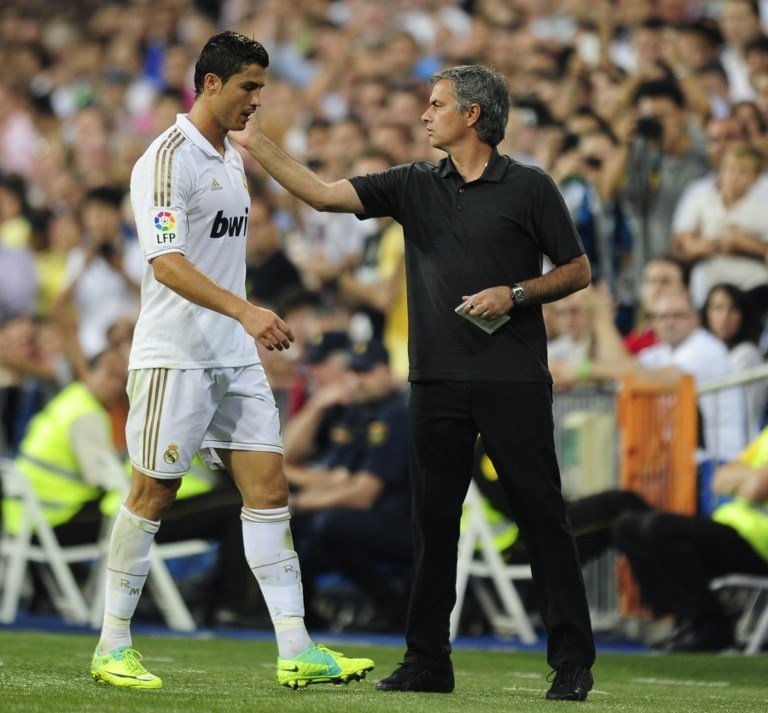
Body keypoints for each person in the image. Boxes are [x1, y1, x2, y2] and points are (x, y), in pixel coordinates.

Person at [235, 63, 595, 701]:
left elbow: (577, 270)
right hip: (432, 382)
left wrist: (514, 293)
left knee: (543, 517)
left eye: (435, 105)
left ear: (472, 116)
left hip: (512, 379)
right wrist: (258, 141)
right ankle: (428, 660)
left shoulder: (531, 188)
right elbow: (321, 194)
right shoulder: (411, 184)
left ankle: (571, 662)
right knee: (432, 524)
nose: (424, 115)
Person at [90, 31, 373, 691]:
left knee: (269, 491)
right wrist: (245, 310)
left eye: (261, 88)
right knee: (153, 492)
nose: (257, 100)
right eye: (248, 86)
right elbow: (166, 263)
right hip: (175, 356)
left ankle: (297, 647)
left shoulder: (231, 158)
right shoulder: (165, 160)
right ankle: (111, 643)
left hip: (232, 357)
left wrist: (241, 323)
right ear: (209, 84)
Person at [286, 340, 412, 633]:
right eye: (354, 371)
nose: (358, 380)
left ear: (386, 373)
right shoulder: (357, 414)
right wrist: (316, 404)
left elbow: (362, 495)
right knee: (300, 524)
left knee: (329, 522)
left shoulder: (396, 415)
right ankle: (301, 614)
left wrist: (300, 502)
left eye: (366, 372)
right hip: (373, 518)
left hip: (404, 523)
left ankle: (394, 607)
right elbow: (290, 459)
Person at [613, 423, 768, 652]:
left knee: (658, 528)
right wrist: (750, 477)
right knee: (627, 528)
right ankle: (693, 619)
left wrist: (745, 478)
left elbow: (755, 488)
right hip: (733, 530)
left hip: (759, 544)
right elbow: (720, 480)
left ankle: (711, 625)